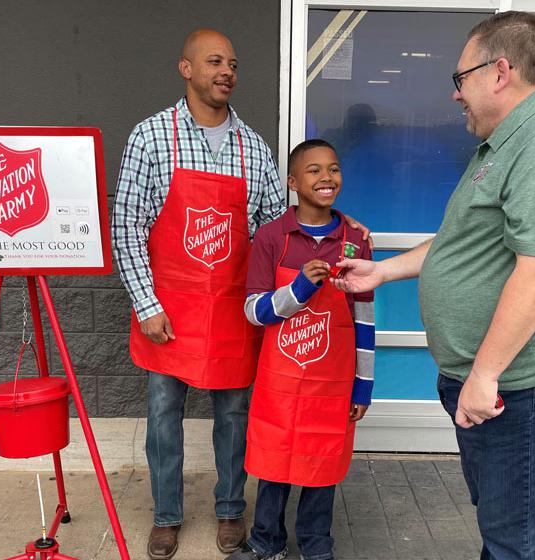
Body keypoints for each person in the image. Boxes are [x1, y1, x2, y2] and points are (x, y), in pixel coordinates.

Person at [333, 11, 535, 559]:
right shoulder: (501, 146)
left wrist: (485, 374)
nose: (455, 95)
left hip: (518, 385)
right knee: (503, 523)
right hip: (495, 382)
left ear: (499, 72)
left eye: (461, 79)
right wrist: (383, 271)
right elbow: (460, 243)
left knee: (516, 540)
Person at [112, 29, 368, 560]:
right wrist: (147, 304)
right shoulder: (151, 137)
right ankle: (166, 515)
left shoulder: (253, 147)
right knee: (163, 416)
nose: (227, 71)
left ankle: (231, 509)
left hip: (236, 311)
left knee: (234, 415)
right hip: (170, 311)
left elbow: (277, 227)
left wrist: (340, 226)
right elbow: (127, 228)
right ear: (186, 69)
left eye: (233, 63)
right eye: (214, 62)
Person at [228, 139, 374, 560]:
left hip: (333, 383)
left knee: (321, 465)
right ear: (292, 182)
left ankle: (315, 545)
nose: (326, 177)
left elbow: (364, 318)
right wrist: (299, 290)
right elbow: (254, 310)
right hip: (281, 383)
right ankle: (265, 542)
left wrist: (363, 386)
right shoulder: (273, 238)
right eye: (313, 170)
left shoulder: (355, 241)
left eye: (333, 168)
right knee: (274, 464)